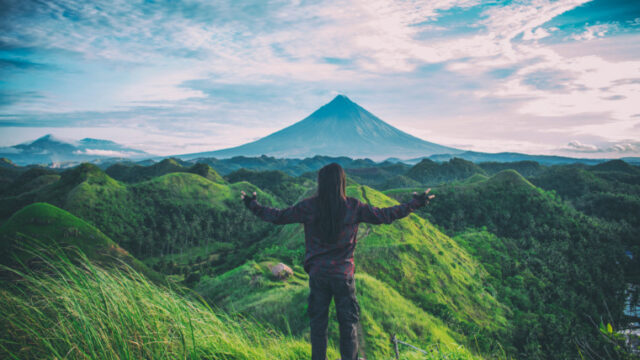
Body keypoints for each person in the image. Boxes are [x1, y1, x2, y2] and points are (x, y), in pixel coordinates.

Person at [241, 163, 434, 360]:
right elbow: (385, 215)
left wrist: (252, 205)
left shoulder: (309, 206)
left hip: (318, 275)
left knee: (318, 326)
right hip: (343, 276)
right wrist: (415, 203)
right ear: (342, 183)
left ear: (321, 183)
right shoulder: (353, 206)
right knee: (348, 326)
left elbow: (278, 217)